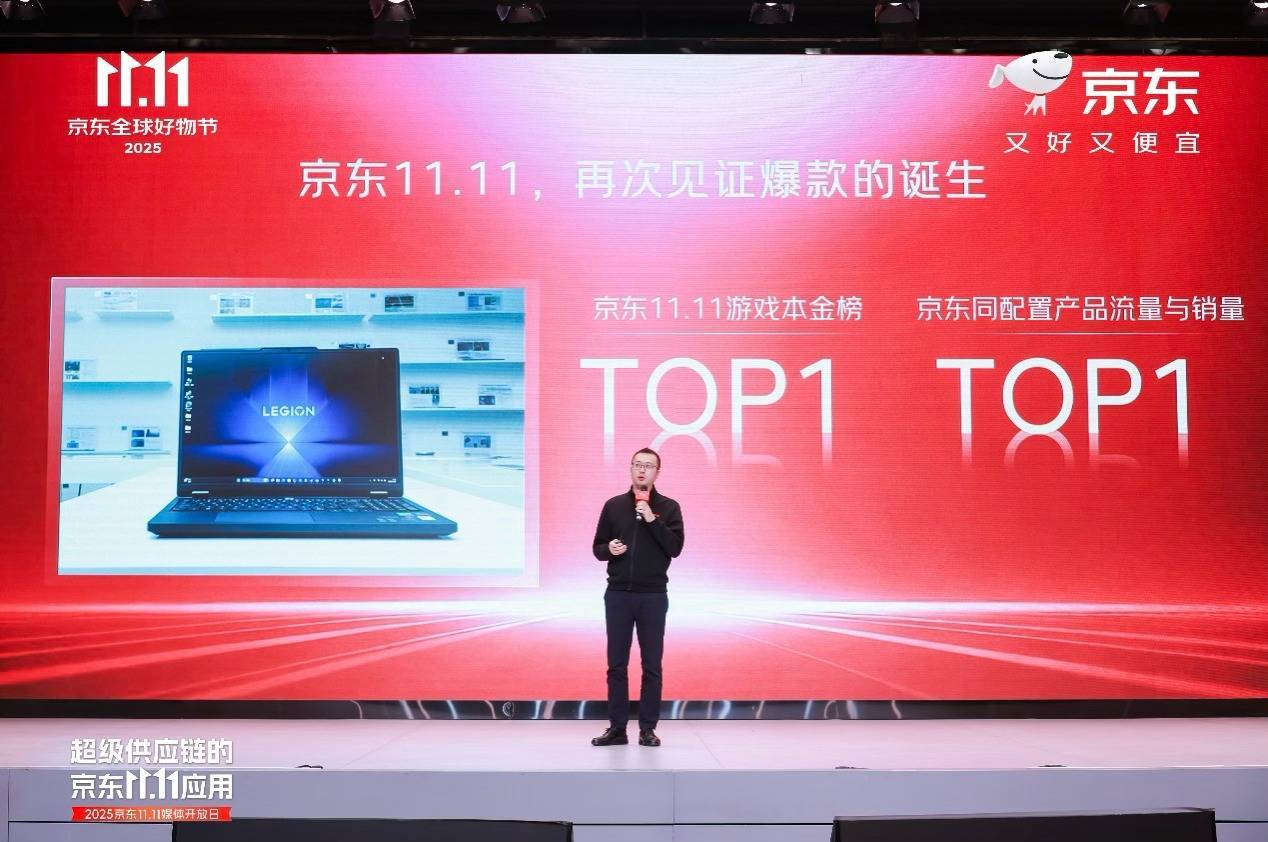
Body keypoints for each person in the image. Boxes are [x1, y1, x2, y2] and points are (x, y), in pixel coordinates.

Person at [589, 447, 685, 748]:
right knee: (616, 665)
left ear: (657, 472)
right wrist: (609, 549)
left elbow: (675, 548)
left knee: (651, 665)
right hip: (618, 595)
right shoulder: (613, 506)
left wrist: (652, 519)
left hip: (653, 596)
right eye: (637, 465)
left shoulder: (669, 507)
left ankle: (647, 729)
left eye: (648, 466)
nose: (642, 470)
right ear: (631, 469)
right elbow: (598, 548)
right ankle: (617, 729)